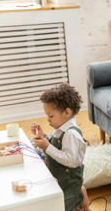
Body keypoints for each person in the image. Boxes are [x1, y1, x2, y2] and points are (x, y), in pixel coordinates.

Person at [31, 83, 89, 211]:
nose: (48, 120)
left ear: (67, 112)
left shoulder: (71, 134)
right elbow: (55, 143)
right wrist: (43, 137)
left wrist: (47, 147)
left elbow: (69, 161)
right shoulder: (60, 128)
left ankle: (78, 194)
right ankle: (79, 193)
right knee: (54, 198)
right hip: (58, 175)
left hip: (70, 180)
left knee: (61, 207)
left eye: (51, 116)